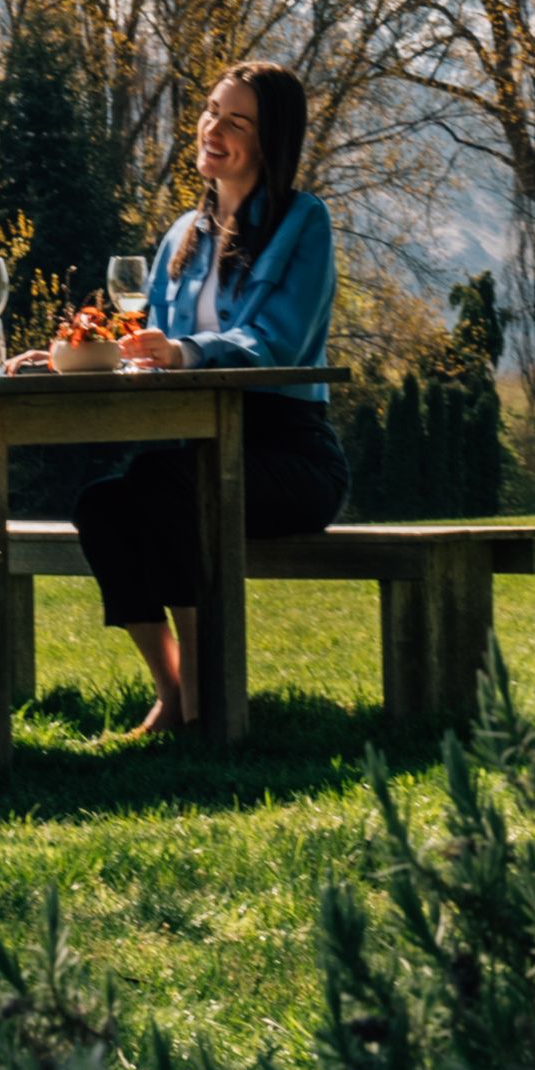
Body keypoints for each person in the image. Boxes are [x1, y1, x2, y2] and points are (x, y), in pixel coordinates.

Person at [72, 61, 346, 737]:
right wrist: (82, 353)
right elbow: (146, 342)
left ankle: (207, 691)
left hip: (289, 456)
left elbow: (276, 342)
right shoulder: (181, 236)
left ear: (270, 141)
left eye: (236, 122)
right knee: (102, 505)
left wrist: (187, 351)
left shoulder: (303, 222)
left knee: (165, 482)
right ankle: (173, 693)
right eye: (211, 112)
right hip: (197, 450)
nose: (212, 130)